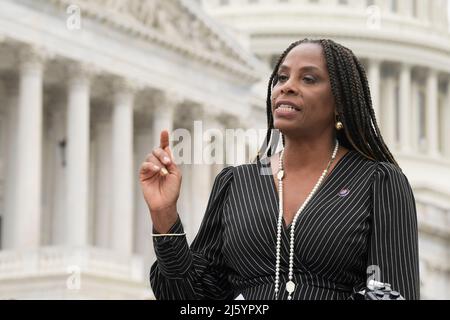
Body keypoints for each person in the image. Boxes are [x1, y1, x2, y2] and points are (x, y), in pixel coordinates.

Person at [139, 39, 420, 300]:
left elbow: (391, 293)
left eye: (308, 79)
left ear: (340, 102)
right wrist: (164, 215)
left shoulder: (377, 182)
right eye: (281, 77)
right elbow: (193, 299)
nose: (287, 86)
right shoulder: (237, 183)